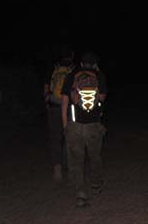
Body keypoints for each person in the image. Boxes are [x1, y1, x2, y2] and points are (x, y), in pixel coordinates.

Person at [61, 52, 108, 208]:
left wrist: (65, 125)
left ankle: (80, 194)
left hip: (74, 125)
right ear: (94, 63)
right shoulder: (99, 76)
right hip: (93, 124)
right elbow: (101, 99)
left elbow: (65, 102)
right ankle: (97, 184)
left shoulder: (71, 76)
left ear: (81, 63)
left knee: (76, 161)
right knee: (95, 156)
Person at [43, 46, 75, 181]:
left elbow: (46, 88)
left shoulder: (53, 69)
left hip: (54, 106)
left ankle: (57, 169)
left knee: (55, 137)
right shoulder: (74, 69)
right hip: (70, 108)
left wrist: (47, 102)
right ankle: (69, 166)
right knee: (70, 135)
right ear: (71, 56)